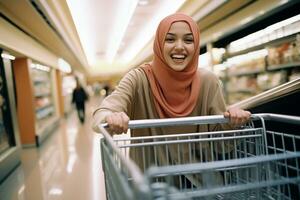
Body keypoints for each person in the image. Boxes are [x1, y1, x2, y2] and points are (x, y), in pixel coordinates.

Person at [92, 13, 251, 185]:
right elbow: (100, 115)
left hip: (201, 186)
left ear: (196, 44)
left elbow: (221, 145)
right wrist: (110, 117)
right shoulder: (139, 79)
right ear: (159, 43)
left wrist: (233, 122)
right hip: (152, 187)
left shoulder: (209, 82)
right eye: (170, 39)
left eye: (188, 40)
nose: (180, 47)